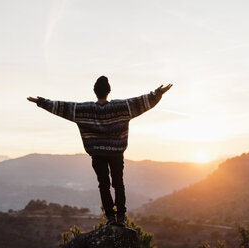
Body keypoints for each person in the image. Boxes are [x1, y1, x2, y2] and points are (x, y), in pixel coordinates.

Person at [27, 76, 172, 226]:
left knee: (103, 185)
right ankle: (121, 217)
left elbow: (63, 107)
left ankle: (110, 217)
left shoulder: (85, 110)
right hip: (116, 153)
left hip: (97, 154)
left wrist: (42, 102)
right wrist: (157, 93)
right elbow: (141, 102)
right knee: (118, 183)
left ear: (95, 92)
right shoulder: (121, 107)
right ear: (109, 91)